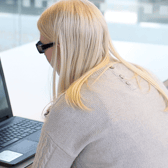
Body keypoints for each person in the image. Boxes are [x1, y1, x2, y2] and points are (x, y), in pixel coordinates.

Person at [32, 0, 168, 167]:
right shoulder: (144, 78)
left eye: (41, 47)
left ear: (62, 48)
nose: (43, 54)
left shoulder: (74, 105)